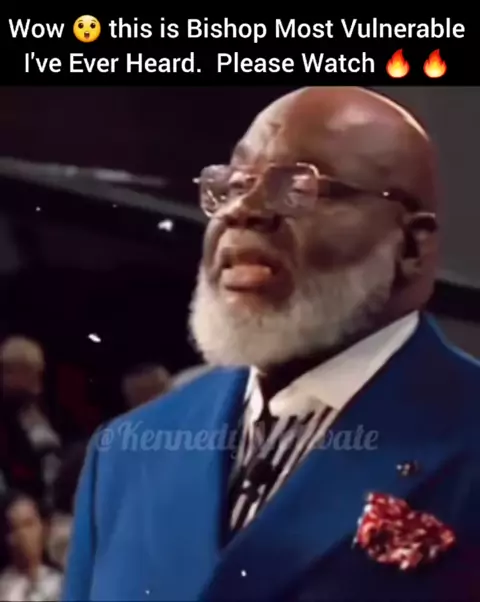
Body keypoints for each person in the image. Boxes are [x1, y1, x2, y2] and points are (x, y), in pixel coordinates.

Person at [64, 87, 480, 601]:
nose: (243, 211)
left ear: (412, 246)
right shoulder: (125, 453)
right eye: (234, 185)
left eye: (298, 188)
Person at [0, 337, 61, 502]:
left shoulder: (33, 411)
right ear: (7, 372)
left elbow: (49, 459)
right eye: (29, 372)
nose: (37, 381)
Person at [0, 492, 63, 601]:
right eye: (14, 528)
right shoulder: (3, 589)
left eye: (28, 524)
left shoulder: (61, 582)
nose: (22, 535)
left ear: (43, 528)